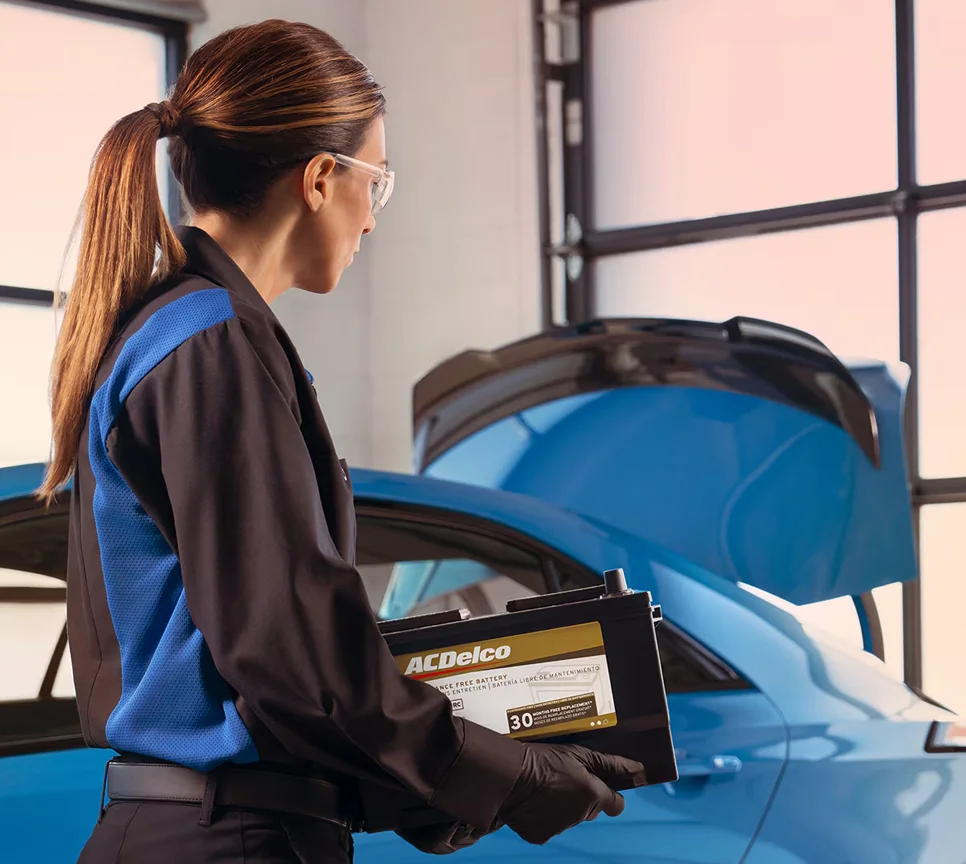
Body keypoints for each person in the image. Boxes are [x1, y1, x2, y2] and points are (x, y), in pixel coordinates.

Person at [40, 19, 646, 864]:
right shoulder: (211, 345)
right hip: (232, 842)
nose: (372, 218)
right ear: (321, 178)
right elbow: (292, 654)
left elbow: (268, 672)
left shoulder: (173, 331)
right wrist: (507, 776)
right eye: (379, 181)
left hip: (205, 828)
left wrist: (459, 787)